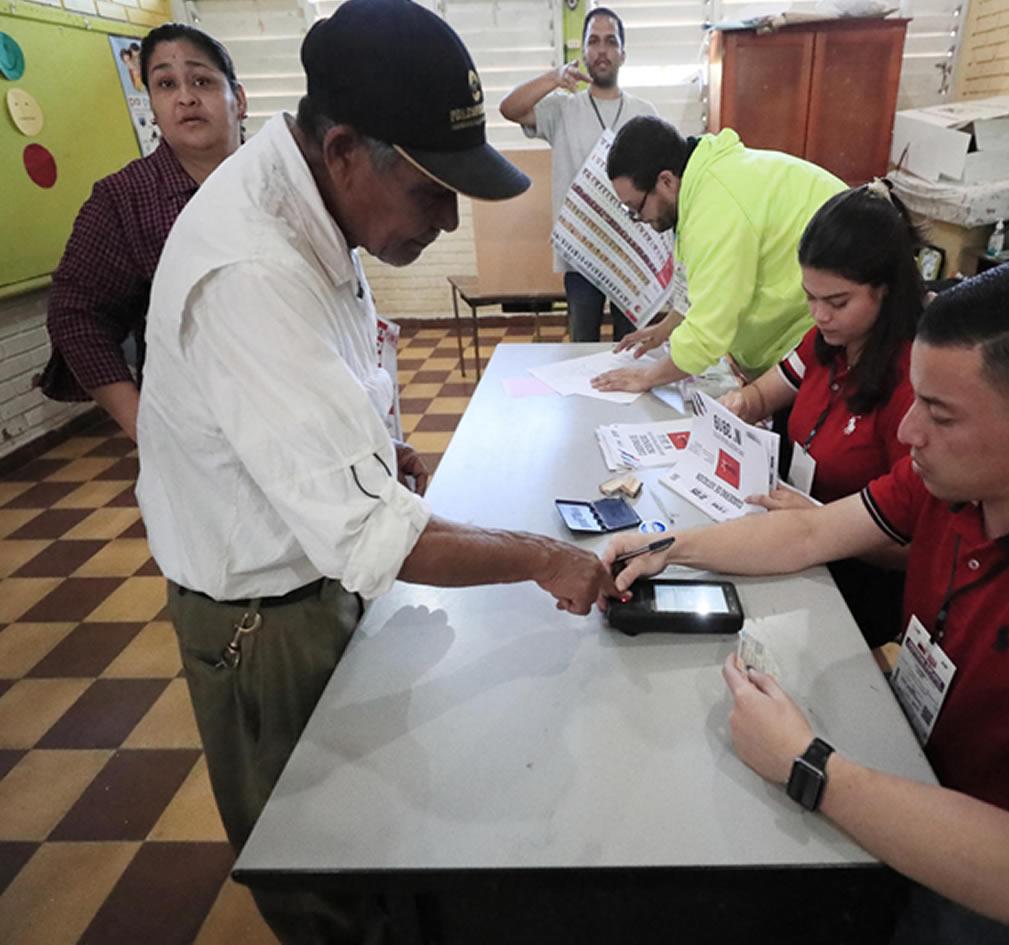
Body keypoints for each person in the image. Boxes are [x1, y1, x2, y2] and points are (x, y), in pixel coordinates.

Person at [135, 1, 618, 940]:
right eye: (435, 191)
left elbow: (333, 375)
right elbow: (375, 537)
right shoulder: (252, 270)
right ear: (347, 148)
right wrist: (545, 558)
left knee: (379, 832)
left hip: (317, 577)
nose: (447, 220)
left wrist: (369, 440)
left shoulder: (314, 199)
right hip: (262, 624)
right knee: (325, 863)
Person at [605, 258, 1009, 945]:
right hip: (917, 778)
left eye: (940, 413)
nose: (907, 433)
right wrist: (669, 544)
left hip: (1005, 882)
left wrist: (809, 766)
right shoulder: (956, 482)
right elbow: (809, 530)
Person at [719, 181, 922, 646]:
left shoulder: (910, 384)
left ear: (885, 292)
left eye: (837, 303)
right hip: (795, 542)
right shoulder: (827, 343)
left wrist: (822, 517)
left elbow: (916, 548)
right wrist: (733, 410)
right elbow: (759, 398)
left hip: (854, 585)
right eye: (810, 298)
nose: (819, 315)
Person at [39, 24, 247, 441]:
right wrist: (143, 424)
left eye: (202, 80)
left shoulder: (288, 176)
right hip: (198, 422)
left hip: (302, 398)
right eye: (166, 84)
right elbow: (75, 314)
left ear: (238, 99)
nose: (186, 97)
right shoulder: (124, 200)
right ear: (153, 106)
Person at [589, 115, 845, 394]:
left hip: (824, 337)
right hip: (799, 333)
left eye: (636, 207)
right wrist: (668, 326)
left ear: (666, 181)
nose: (638, 218)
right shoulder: (702, 182)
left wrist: (647, 376)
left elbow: (706, 335)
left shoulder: (715, 208)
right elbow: (700, 283)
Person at [499, 7, 657, 342]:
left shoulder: (644, 113)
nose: (602, 50)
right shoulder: (563, 109)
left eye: (611, 42)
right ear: (583, 52)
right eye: (594, 42)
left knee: (629, 346)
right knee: (581, 344)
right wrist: (553, 78)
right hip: (580, 255)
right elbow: (509, 109)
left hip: (632, 256)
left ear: (623, 54)